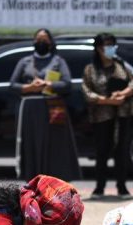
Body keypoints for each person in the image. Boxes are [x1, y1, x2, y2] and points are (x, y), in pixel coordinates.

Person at [9, 29, 81, 182]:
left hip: (53, 106)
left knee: (54, 146)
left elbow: (67, 84)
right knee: (32, 145)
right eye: (38, 39)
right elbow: (13, 85)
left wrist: (47, 84)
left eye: (45, 39)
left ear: (50, 43)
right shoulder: (25, 61)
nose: (41, 42)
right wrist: (29, 88)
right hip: (30, 108)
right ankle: (33, 182)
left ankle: (54, 183)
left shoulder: (58, 61)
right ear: (34, 41)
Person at [81, 32, 133, 199]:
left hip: (122, 114)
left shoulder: (121, 64)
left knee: (121, 150)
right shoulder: (90, 69)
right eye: (107, 45)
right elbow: (87, 92)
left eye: (112, 44)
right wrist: (106, 101)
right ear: (98, 48)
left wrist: (124, 93)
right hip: (101, 116)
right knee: (102, 151)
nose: (110, 48)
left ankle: (122, 187)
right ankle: (99, 187)